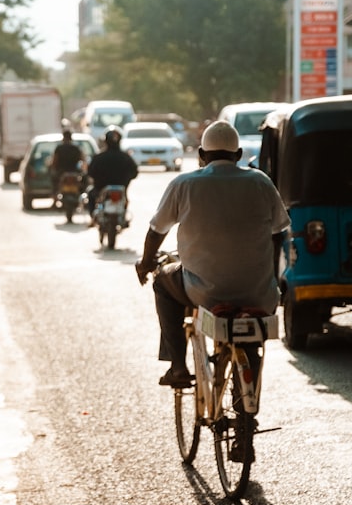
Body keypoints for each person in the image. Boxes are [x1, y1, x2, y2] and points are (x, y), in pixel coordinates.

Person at [134, 120, 290, 388]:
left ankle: (179, 367)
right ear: (238, 155)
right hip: (260, 294)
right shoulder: (260, 182)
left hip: (203, 293)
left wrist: (146, 264)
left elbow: (156, 231)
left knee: (162, 282)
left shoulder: (184, 183)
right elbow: (279, 231)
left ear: (201, 156)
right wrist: (271, 277)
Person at [87, 125, 138, 225]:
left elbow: (90, 172)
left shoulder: (99, 157)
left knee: (91, 194)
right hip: (121, 188)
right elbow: (135, 172)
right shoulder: (125, 157)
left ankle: (93, 218)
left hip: (102, 189)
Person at [49, 128, 86, 199]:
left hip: (61, 172)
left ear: (63, 137)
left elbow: (54, 161)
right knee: (84, 181)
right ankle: (83, 195)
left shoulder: (59, 148)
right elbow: (83, 160)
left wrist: (52, 168)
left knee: (54, 180)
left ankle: (54, 197)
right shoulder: (76, 148)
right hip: (74, 171)